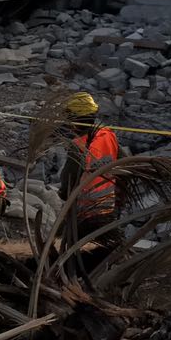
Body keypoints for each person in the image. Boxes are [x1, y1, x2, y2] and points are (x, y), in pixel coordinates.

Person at [58, 92, 122, 255]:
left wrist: (63, 194)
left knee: (69, 249)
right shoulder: (108, 135)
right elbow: (123, 163)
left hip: (85, 212)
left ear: (74, 120)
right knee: (105, 249)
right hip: (108, 207)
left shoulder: (78, 146)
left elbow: (67, 185)